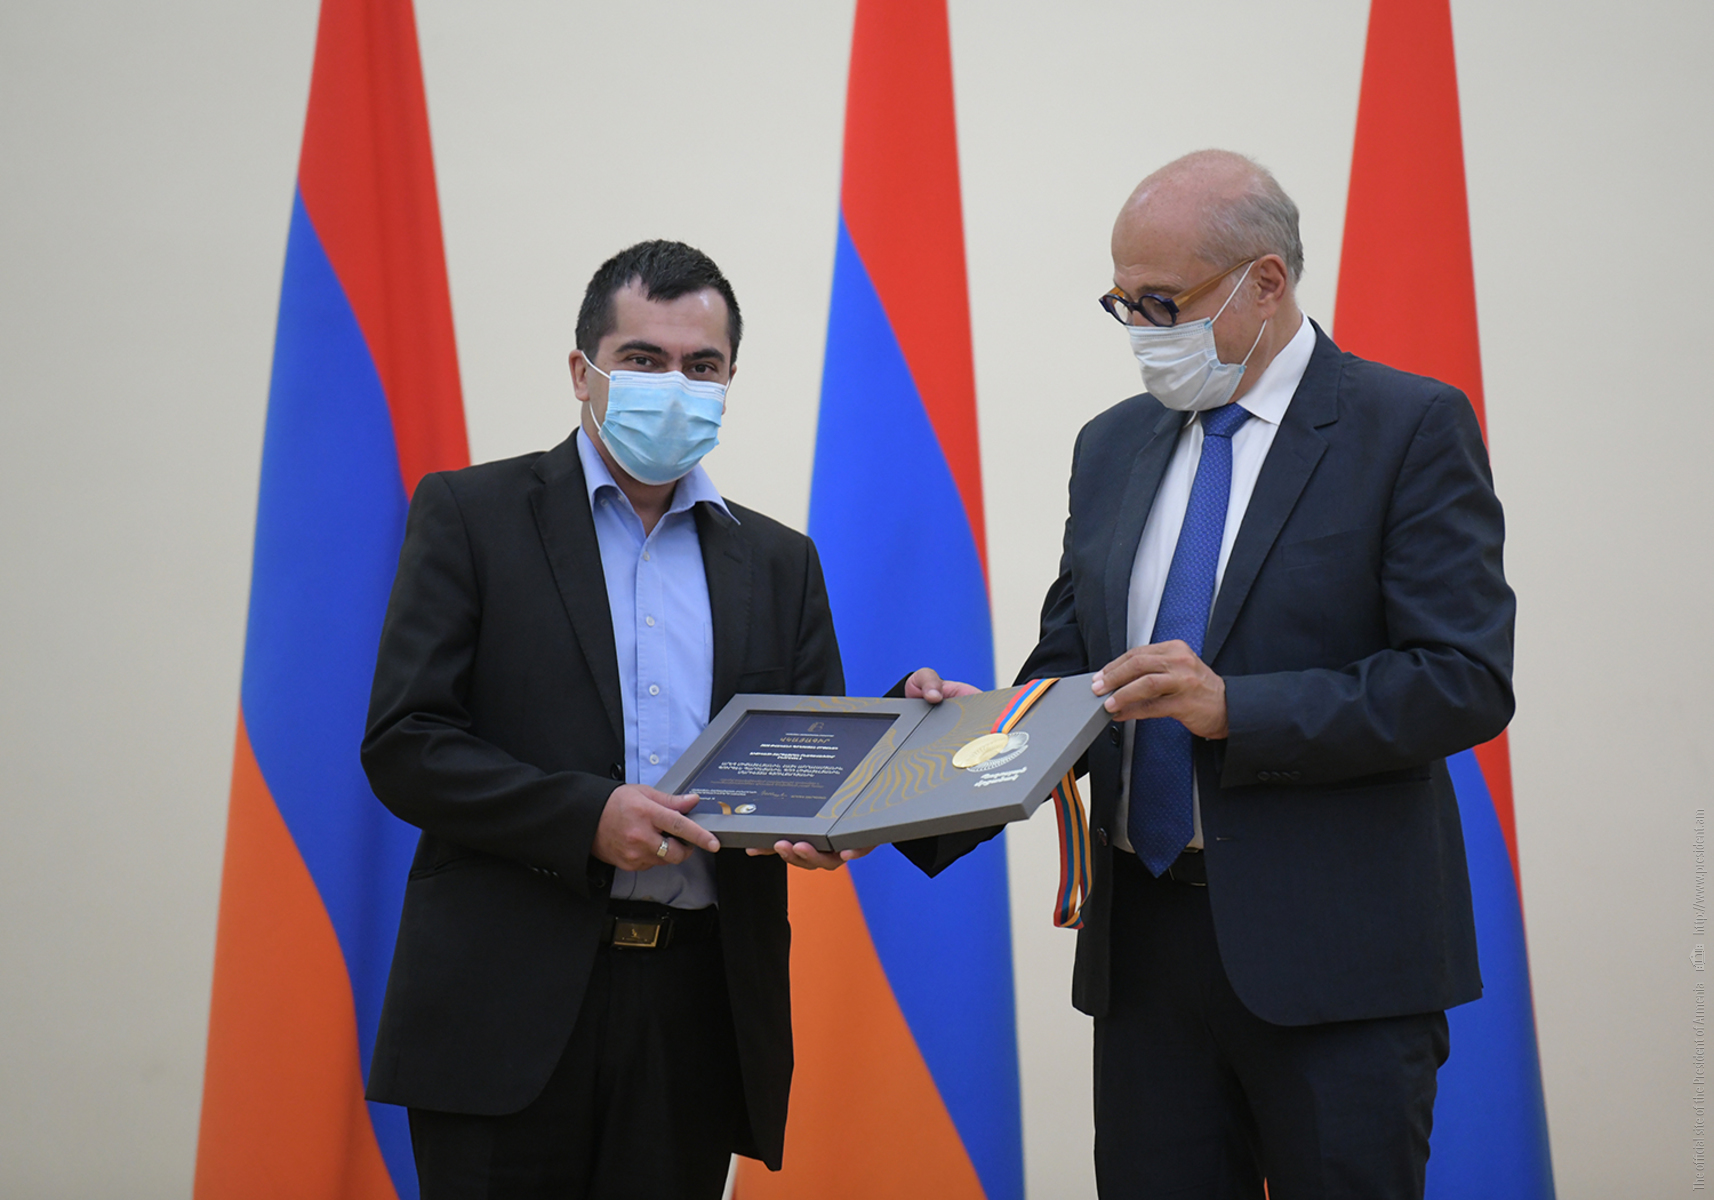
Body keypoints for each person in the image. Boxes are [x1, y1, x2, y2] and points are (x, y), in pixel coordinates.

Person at [904, 151, 1514, 1199]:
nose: (1141, 328)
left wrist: (1238, 710)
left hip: (1337, 967)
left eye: (1162, 302)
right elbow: (1075, 671)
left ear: (1265, 283)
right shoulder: (1111, 445)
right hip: (1146, 958)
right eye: (1122, 303)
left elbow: (1460, 679)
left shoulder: (1406, 426)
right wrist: (970, 737)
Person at [361, 240, 859, 1199]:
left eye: (701, 366)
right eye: (643, 359)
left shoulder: (779, 561)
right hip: (504, 1007)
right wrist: (586, 817)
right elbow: (406, 743)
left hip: (696, 1013)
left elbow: (813, 765)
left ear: (730, 381)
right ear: (582, 371)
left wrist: (915, 740)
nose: (675, 386)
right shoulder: (472, 514)